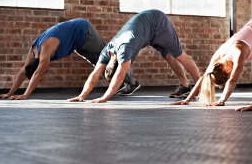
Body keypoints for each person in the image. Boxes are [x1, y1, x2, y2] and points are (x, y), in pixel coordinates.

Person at [66, 9, 200, 103]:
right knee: (168, 56)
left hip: (157, 21)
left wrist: (104, 98)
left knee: (178, 55)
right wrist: (82, 95)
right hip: (147, 30)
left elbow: (120, 76)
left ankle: (200, 86)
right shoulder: (108, 50)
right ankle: (185, 86)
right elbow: (95, 74)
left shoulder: (124, 50)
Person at [0, 18, 127, 100]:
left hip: (84, 31)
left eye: (44, 71)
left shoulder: (44, 53)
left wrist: (25, 94)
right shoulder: (33, 52)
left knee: (108, 54)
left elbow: (38, 74)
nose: (46, 71)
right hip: (77, 42)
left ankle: (130, 81)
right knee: (98, 63)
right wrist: (9, 93)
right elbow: (23, 72)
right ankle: (118, 83)